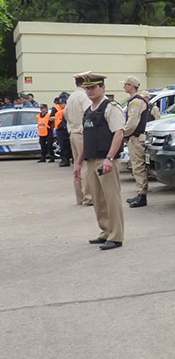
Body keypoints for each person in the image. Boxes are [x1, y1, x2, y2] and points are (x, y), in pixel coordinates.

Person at [73, 73, 125, 250]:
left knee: (111, 199)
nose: (90, 91)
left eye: (93, 87)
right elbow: (86, 139)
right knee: (98, 200)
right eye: (87, 88)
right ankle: (105, 231)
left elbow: (118, 133)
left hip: (105, 160)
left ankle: (116, 236)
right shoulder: (88, 110)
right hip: (91, 160)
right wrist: (78, 163)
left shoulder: (111, 108)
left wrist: (110, 158)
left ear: (102, 88)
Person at [121, 76, 150, 208]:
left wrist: (123, 133)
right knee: (136, 166)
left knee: (138, 166)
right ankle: (140, 192)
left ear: (131, 86)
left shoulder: (136, 101)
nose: (124, 87)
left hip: (136, 138)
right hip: (135, 137)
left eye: (126, 84)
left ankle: (142, 194)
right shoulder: (136, 100)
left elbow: (132, 122)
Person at [65, 72, 93, 205]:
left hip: (73, 133)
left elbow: (65, 114)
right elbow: (89, 113)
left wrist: (72, 124)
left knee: (77, 164)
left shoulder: (71, 97)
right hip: (83, 133)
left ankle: (80, 197)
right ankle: (88, 197)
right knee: (86, 165)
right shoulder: (84, 96)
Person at [53, 98, 72, 166]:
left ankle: (66, 160)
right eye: (60, 104)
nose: (60, 105)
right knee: (63, 146)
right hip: (59, 130)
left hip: (64, 130)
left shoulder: (66, 111)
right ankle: (65, 159)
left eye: (62, 103)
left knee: (66, 146)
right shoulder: (60, 111)